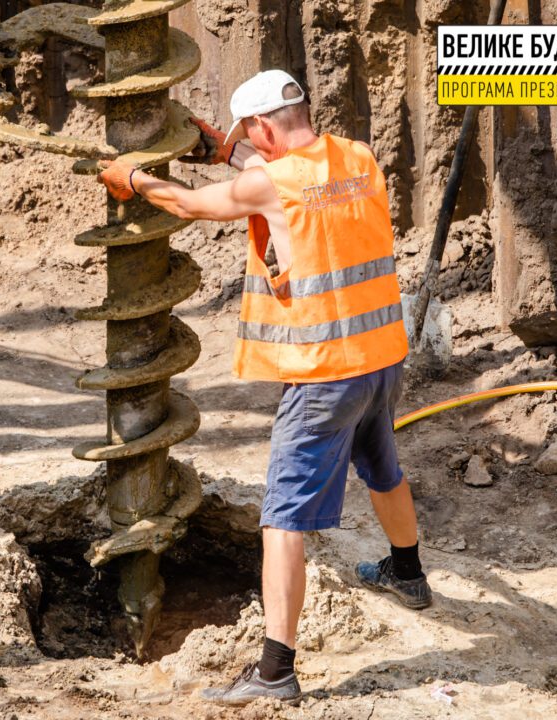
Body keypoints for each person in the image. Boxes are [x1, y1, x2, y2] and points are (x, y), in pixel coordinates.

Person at [97, 69, 432, 707]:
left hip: (323, 373)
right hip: (381, 354)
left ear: (261, 126)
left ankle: (276, 670)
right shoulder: (356, 156)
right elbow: (300, 175)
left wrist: (134, 181)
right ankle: (408, 573)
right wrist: (226, 145)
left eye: (249, 132)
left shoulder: (270, 184)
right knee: (381, 464)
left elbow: (193, 205)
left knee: (282, 518)